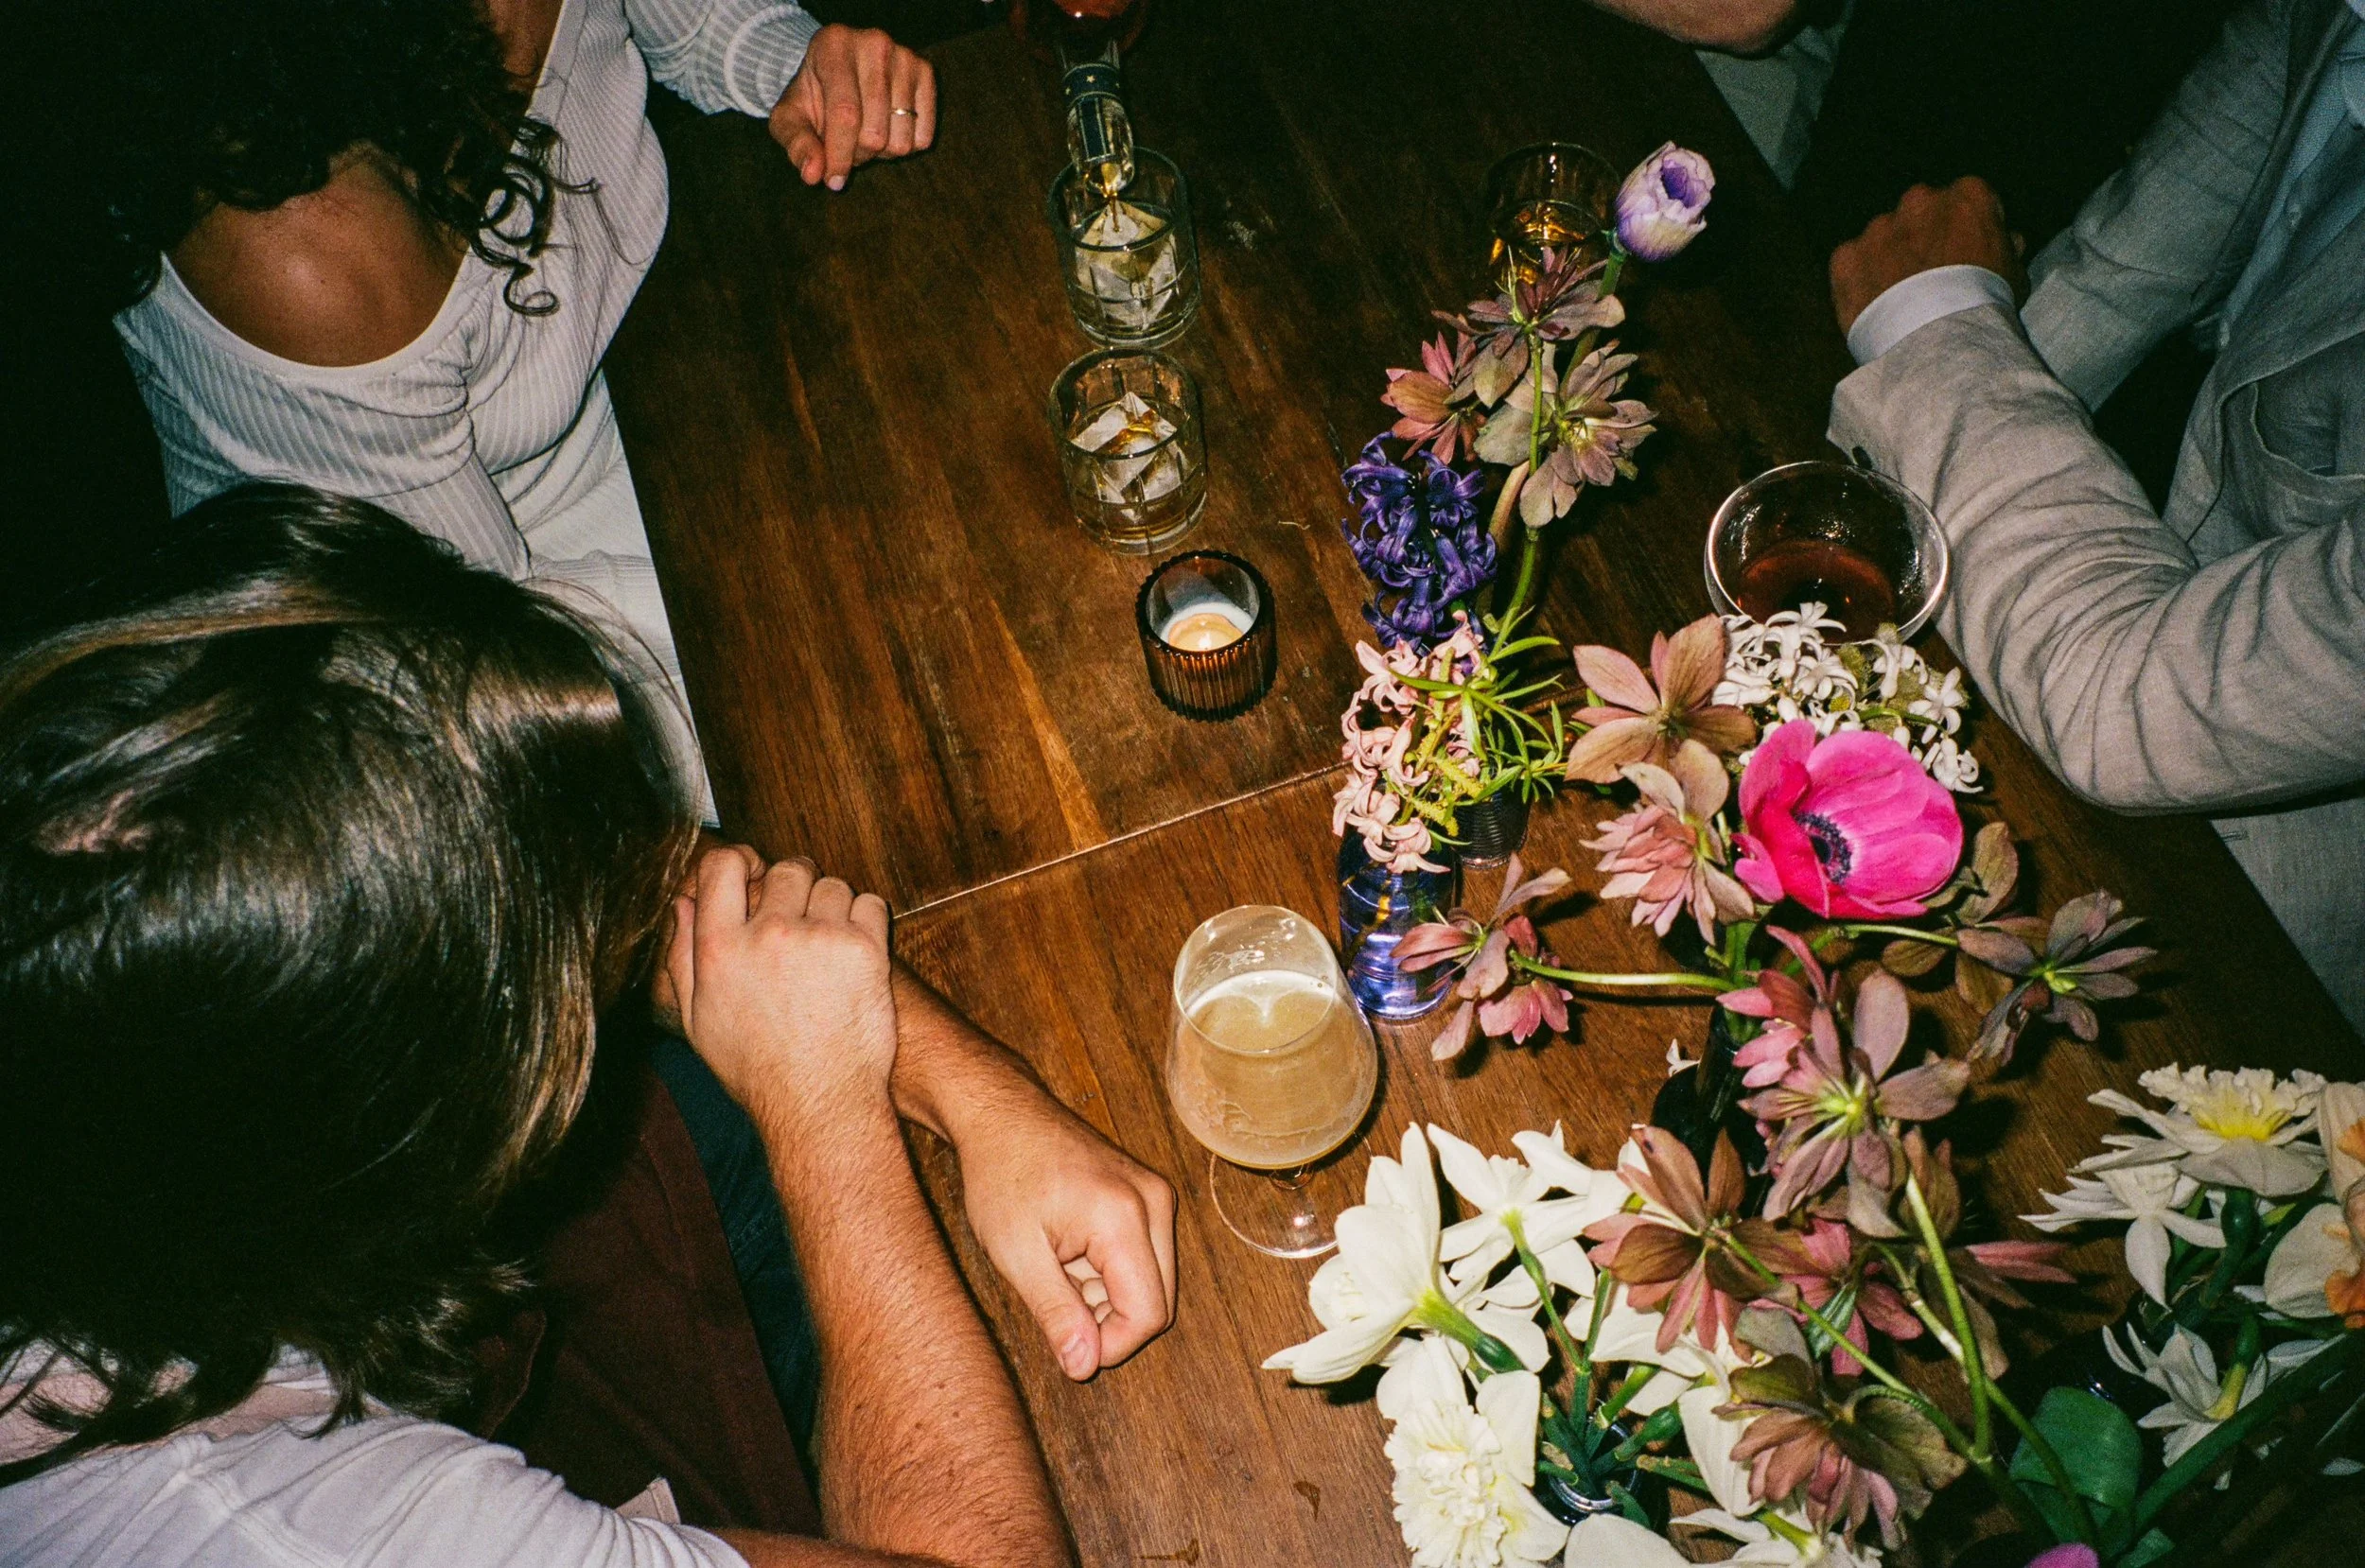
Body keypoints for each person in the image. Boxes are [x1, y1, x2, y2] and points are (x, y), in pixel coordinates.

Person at [0, 485, 1173, 1566]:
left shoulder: (123, 1010)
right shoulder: (283, 1529)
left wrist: (980, 1094)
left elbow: (613, 875)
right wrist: (825, 1107)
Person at [71, 0, 940, 803]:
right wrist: (785, 587)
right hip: (417, 648)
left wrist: (796, 70)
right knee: (891, 719)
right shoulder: (295, 244)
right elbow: (492, 648)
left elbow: (702, 23)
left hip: (635, 400)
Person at [1823, 0, 2365, 1029]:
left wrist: (1930, 330)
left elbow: (2129, 705)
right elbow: (2110, 281)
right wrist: (1890, 455)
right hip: (2113, 648)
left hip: (2268, 952)